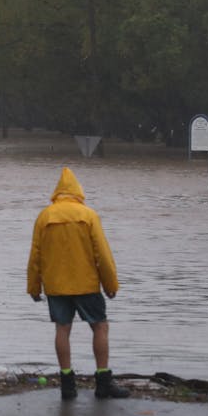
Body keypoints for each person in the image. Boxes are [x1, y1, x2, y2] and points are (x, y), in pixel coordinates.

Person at [27, 167, 129, 400]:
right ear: (78, 191)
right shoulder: (88, 215)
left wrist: (34, 287)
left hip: (56, 286)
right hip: (87, 284)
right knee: (100, 327)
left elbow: (35, 255)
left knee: (62, 329)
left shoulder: (45, 217)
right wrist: (110, 284)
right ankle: (103, 381)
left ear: (57, 192)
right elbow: (102, 254)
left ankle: (67, 384)